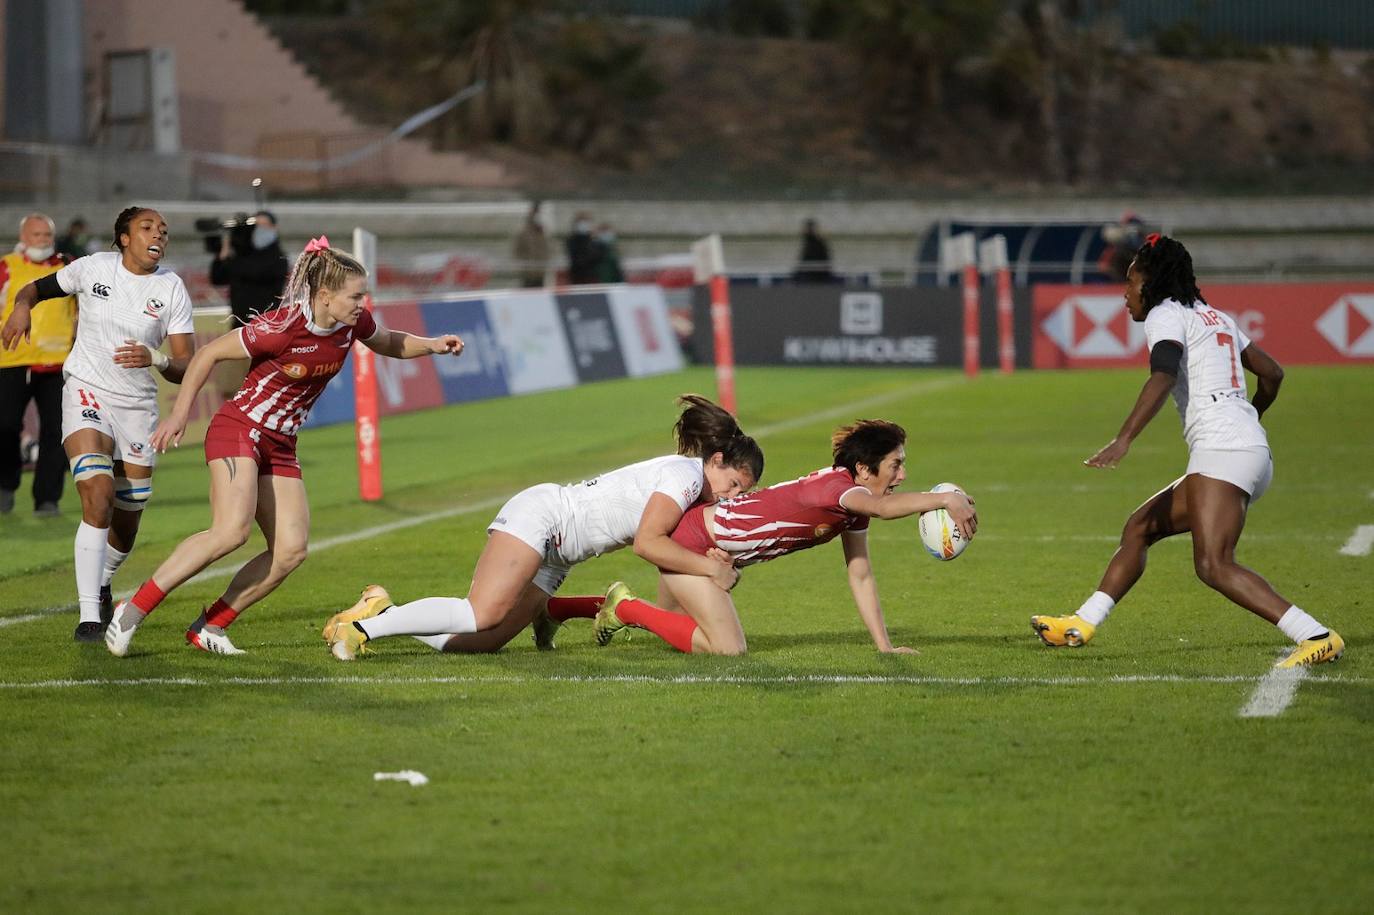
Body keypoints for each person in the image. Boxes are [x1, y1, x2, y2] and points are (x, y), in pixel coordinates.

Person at [103, 237, 465, 657]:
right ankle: (133, 610)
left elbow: (387, 341)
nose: (362, 303)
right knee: (230, 531)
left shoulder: (352, 322)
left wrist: (432, 345)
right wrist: (180, 414)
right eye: (356, 295)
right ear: (325, 296)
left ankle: (211, 627)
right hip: (239, 429)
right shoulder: (281, 327)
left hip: (281, 444)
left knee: (291, 551)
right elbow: (207, 357)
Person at [1030, 234, 1343, 669]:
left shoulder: (1165, 314)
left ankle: (1315, 634)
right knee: (1139, 528)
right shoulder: (1216, 317)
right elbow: (1273, 374)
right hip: (1244, 448)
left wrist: (1125, 438)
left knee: (1213, 564)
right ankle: (1082, 623)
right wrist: (1249, 417)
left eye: (1130, 281)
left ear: (1150, 282)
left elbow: (1162, 375)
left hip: (1224, 450)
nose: (1125, 294)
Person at [321, 395, 764, 660]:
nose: (732, 497)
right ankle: (360, 630)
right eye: (733, 485)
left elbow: (673, 566)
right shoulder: (685, 478)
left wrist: (713, 561)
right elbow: (649, 544)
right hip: (545, 517)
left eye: (741, 493)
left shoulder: (694, 489)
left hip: (560, 554)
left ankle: (381, 608)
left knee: (479, 643)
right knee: (481, 612)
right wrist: (711, 572)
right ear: (717, 461)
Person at [569, 420, 977, 655]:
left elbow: (861, 575)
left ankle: (560, 608)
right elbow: (886, 509)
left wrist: (884, 647)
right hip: (693, 540)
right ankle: (624, 608)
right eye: (895, 465)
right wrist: (944, 498)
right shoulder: (839, 490)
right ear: (864, 468)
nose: (902, 475)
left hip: (708, 542)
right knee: (728, 650)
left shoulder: (851, 502)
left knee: (676, 630)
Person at [1, 207, 197, 641]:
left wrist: (158, 358)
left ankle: (103, 581)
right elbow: (33, 289)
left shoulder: (171, 289)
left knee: (126, 523)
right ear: (123, 238)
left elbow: (187, 364)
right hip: (85, 390)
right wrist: (20, 308)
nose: (157, 236)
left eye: (163, 231)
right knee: (98, 493)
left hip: (137, 408)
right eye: (147, 228)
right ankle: (90, 615)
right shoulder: (91, 268)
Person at [1, 214, 76, 519]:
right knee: (5, 428)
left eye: (47, 235)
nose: (43, 240)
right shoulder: (6, 266)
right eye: (36, 235)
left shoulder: (69, 268)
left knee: (56, 433)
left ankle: (47, 499)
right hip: (12, 360)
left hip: (59, 364)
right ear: (23, 236)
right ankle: (4, 488)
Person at [209, 210, 289, 328]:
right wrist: (223, 254)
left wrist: (235, 255)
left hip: (268, 324)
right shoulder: (242, 255)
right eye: (255, 226)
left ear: (274, 228)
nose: (259, 230)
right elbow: (218, 278)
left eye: (263, 225)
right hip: (240, 323)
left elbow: (255, 272)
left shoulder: (278, 258)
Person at [512, 202, 550, 288]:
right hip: (528, 273)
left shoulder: (544, 233)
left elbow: (548, 250)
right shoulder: (523, 233)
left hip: (541, 272)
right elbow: (517, 251)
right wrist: (524, 264)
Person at [793, 217, 834, 283]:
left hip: (815, 278)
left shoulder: (816, 244)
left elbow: (809, 263)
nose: (803, 231)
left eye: (806, 229)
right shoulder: (811, 243)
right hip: (812, 275)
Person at [565, 211, 600, 285]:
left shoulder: (593, 240)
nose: (584, 225)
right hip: (577, 276)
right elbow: (575, 258)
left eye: (586, 222)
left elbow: (597, 256)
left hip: (592, 277)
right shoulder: (572, 240)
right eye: (581, 222)